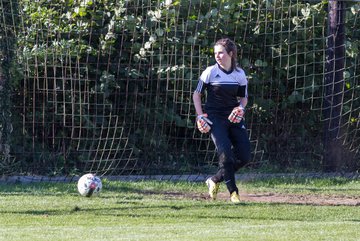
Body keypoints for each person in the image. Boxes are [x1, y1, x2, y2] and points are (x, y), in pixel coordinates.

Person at [193, 38, 251, 203]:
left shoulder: (239, 74)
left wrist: (241, 107)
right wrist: (200, 115)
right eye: (215, 53)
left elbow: (244, 97)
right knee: (225, 154)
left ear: (230, 54)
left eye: (221, 52)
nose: (217, 56)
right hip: (214, 118)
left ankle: (215, 179)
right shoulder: (210, 72)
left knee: (245, 157)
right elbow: (196, 94)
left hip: (233, 118)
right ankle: (234, 193)